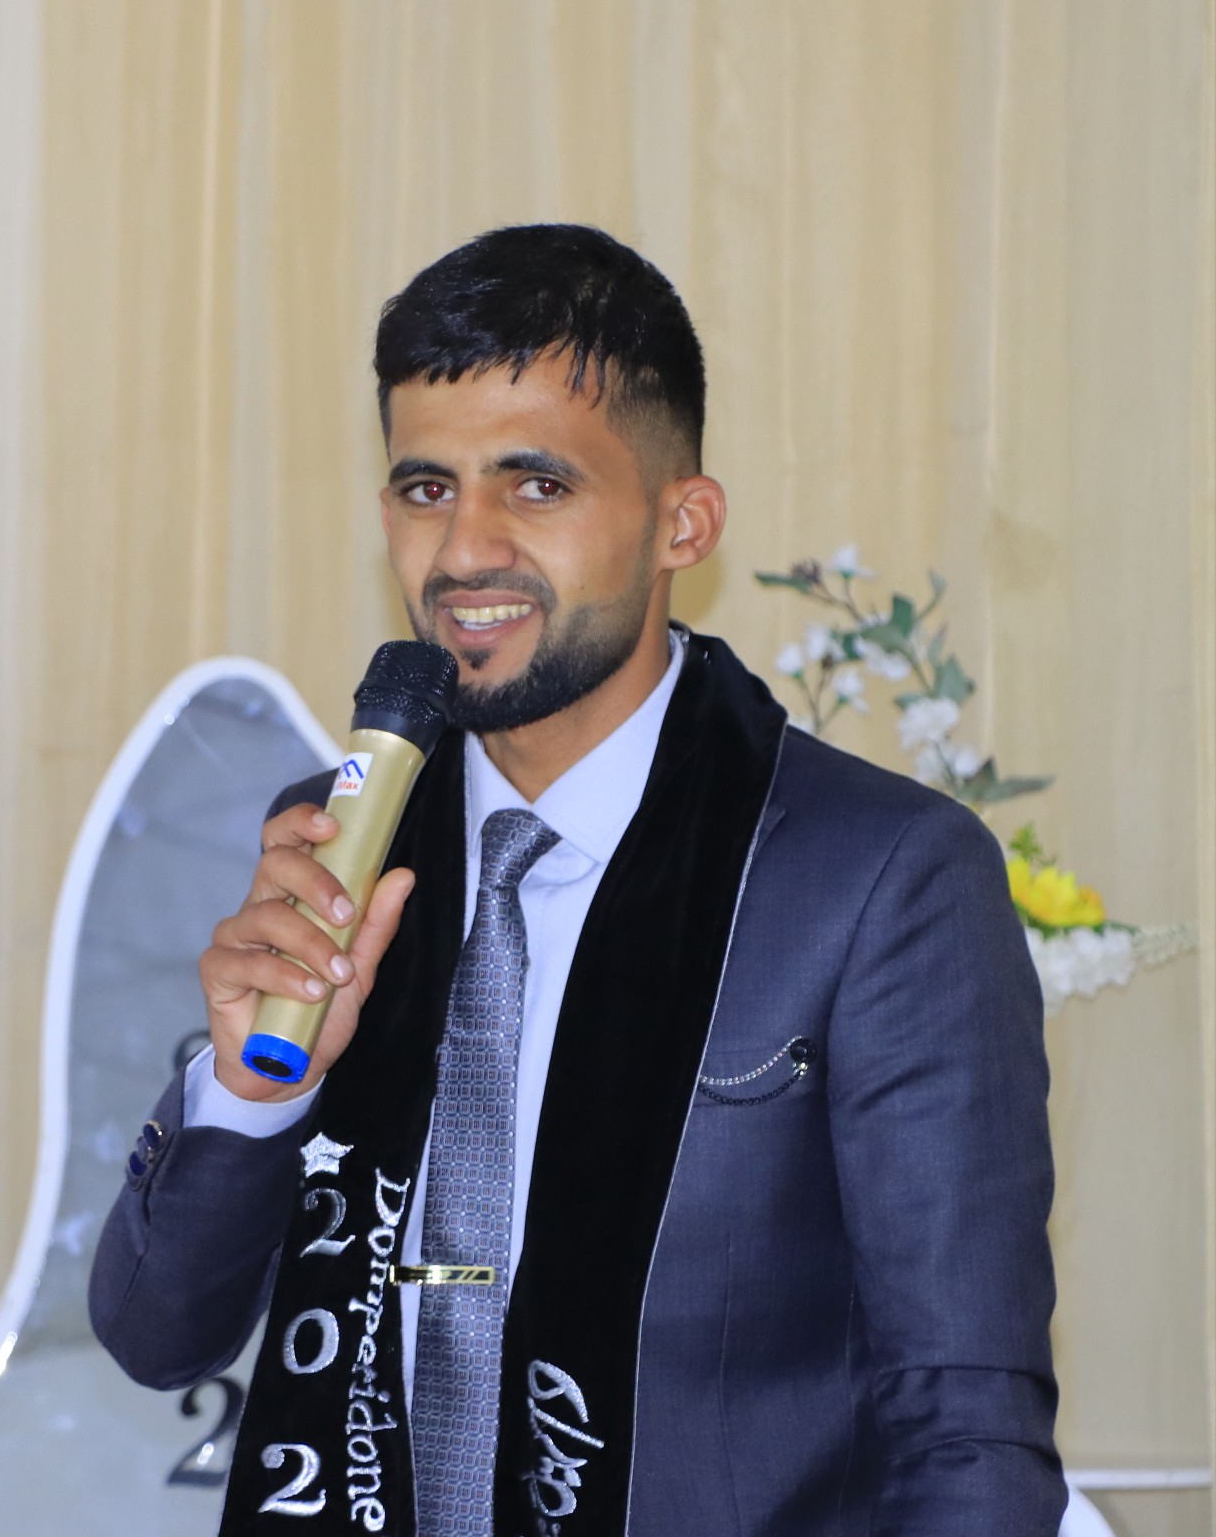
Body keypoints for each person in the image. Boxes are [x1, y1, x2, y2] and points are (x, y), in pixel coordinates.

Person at [89, 225, 1061, 1534]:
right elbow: (156, 1334)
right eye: (425, 487)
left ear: (681, 522)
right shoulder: (342, 839)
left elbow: (965, 1433)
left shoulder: (875, 876)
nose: (463, 550)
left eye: (535, 485)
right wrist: (260, 1090)